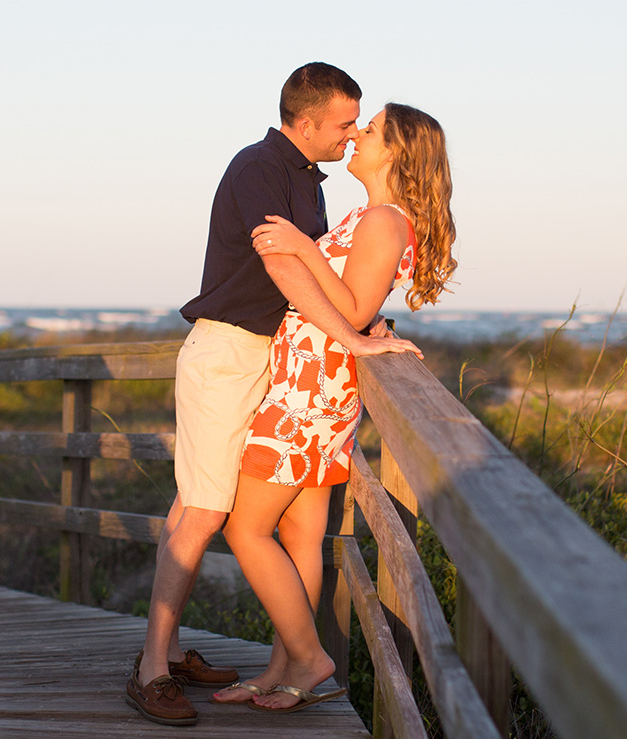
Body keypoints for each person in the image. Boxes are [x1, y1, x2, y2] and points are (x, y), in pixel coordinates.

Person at [125, 63, 423, 727]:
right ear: (308, 121)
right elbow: (284, 263)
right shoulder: (261, 166)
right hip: (231, 352)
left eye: (362, 126)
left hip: (278, 366)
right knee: (204, 509)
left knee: (211, 507)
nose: (352, 134)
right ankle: (150, 667)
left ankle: (201, 655)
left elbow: (335, 275)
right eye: (347, 123)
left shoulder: (315, 189)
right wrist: (355, 330)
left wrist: (358, 325)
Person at [211, 102, 456, 712]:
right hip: (313, 382)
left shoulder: (382, 221)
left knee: (244, 526)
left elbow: (348, 310)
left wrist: (301, 246)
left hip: (311, 391)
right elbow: (360, 307)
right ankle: (284, 672)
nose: (355, 137)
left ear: (395, 151)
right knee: (297, 534)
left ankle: (310, 654)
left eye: (368, 130)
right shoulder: (377, 217)